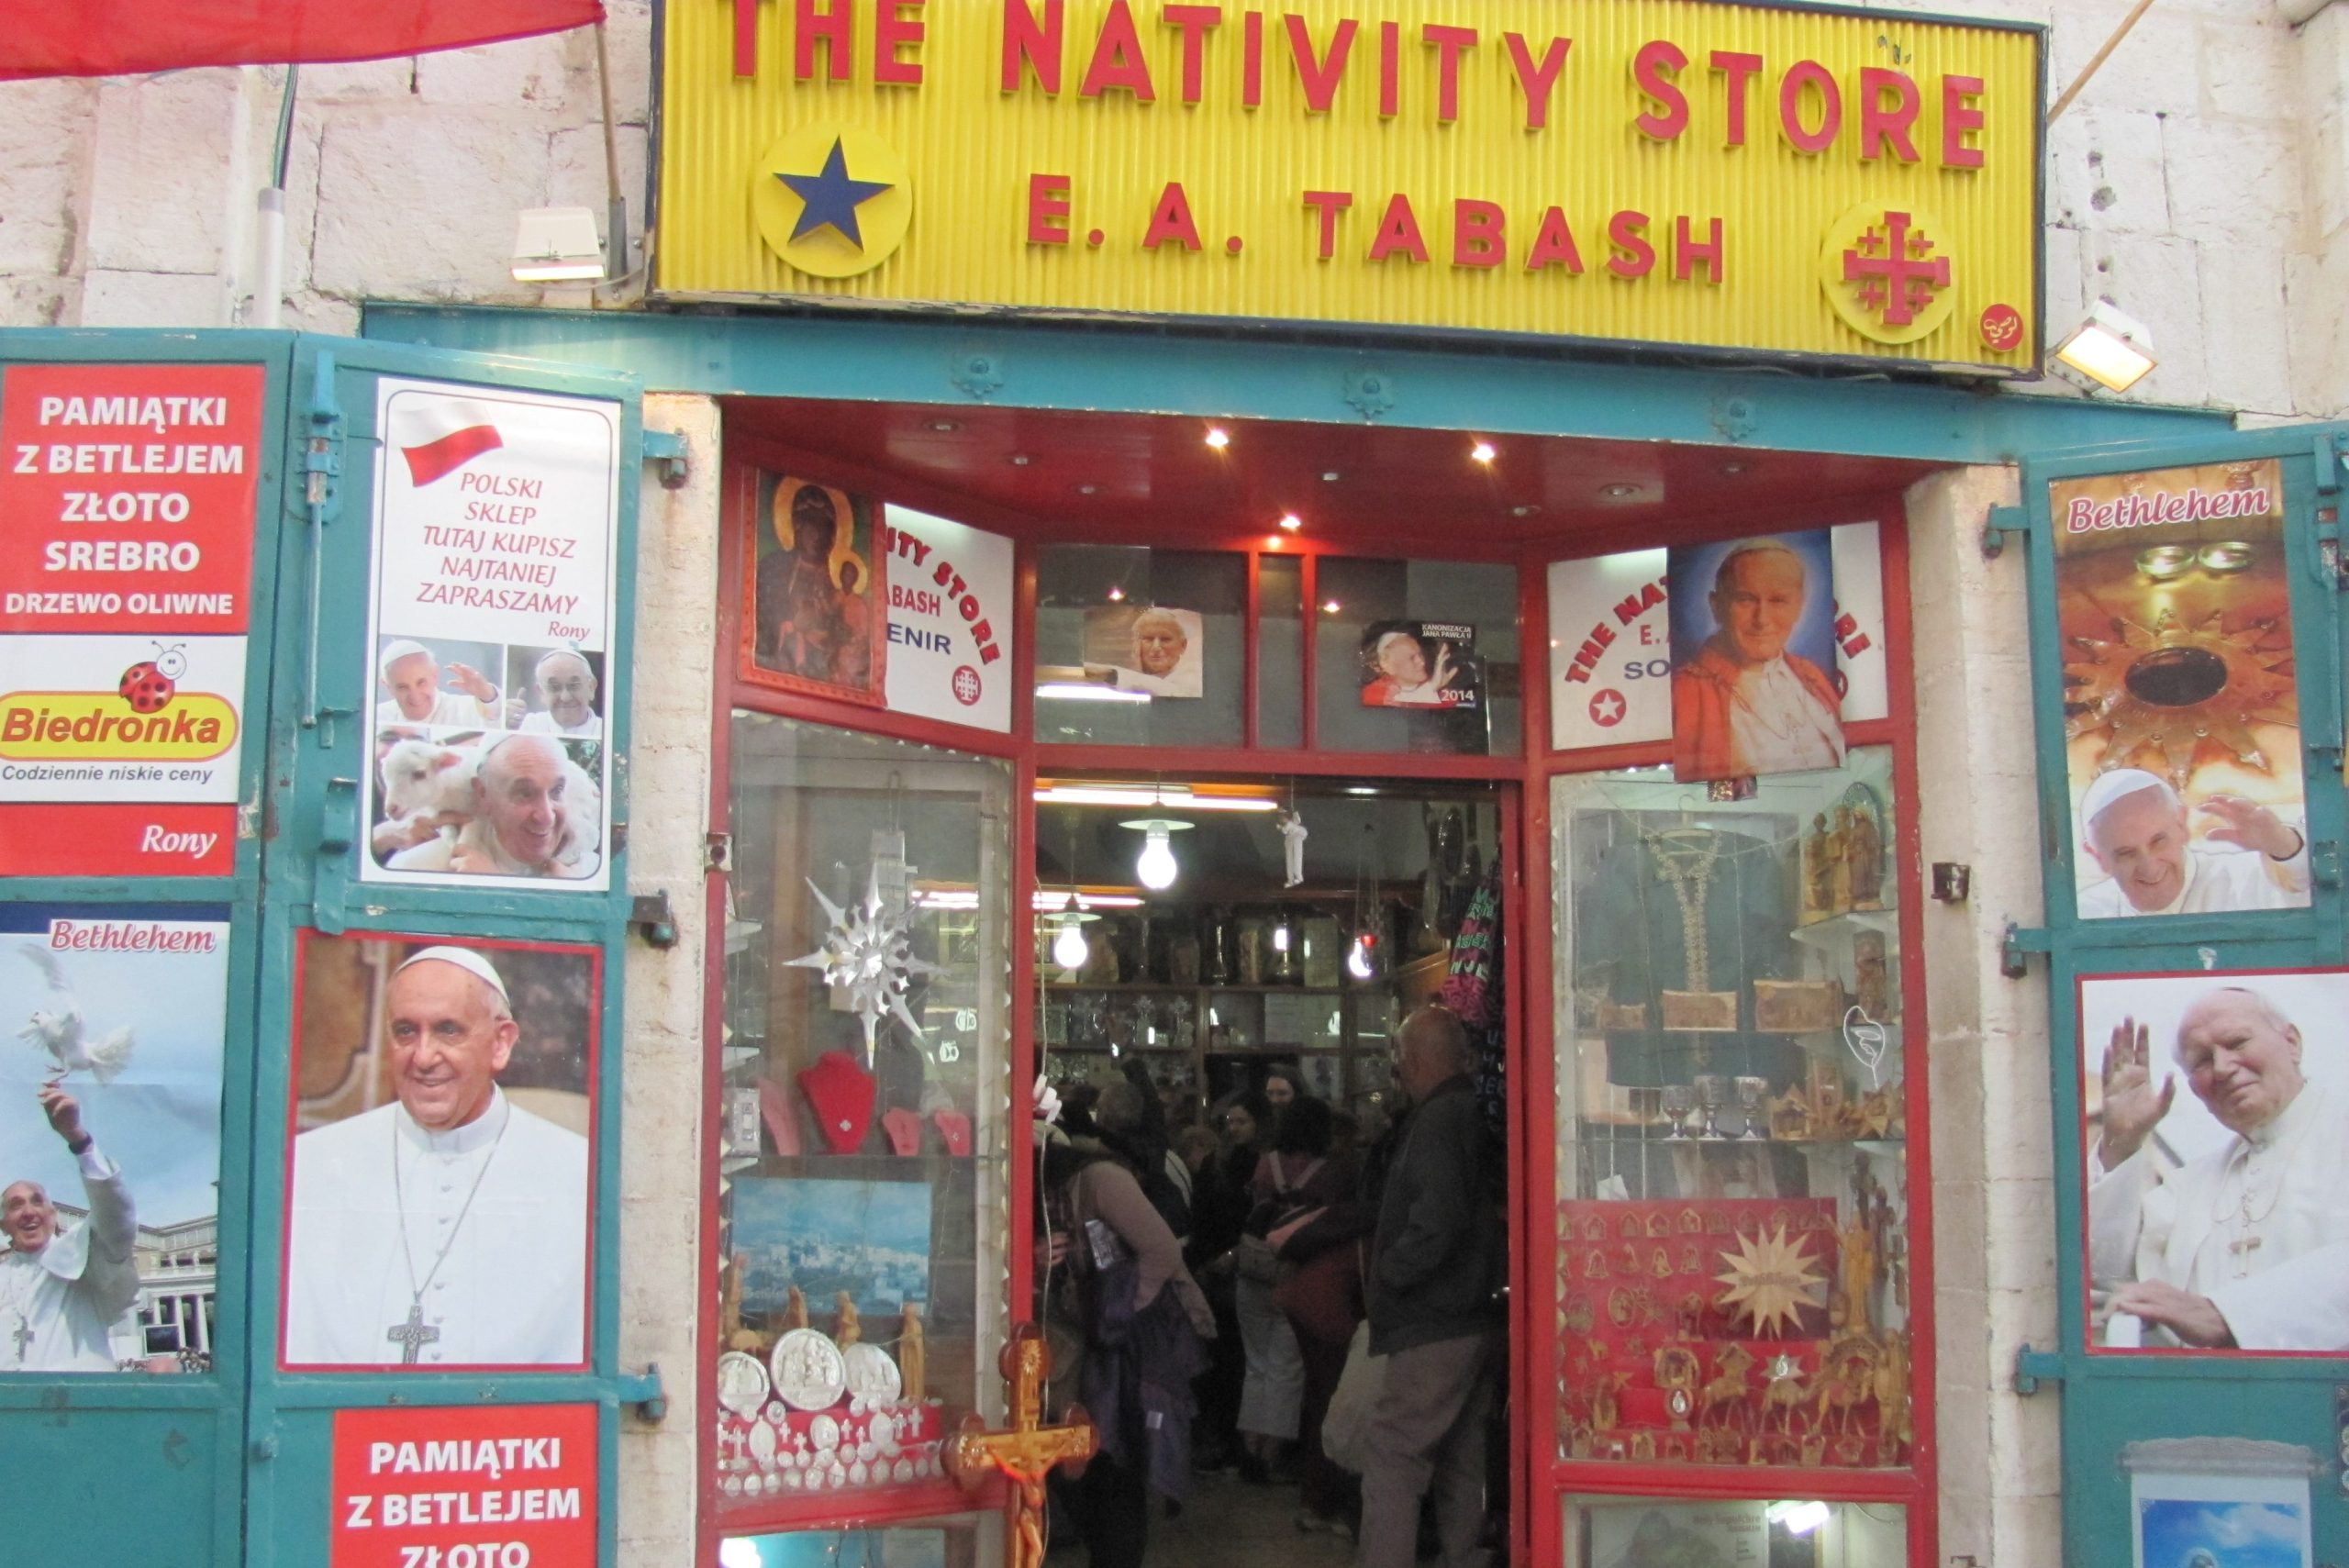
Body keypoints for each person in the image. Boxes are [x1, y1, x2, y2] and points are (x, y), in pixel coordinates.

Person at [284, 947, 590, 1365]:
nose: (424, 1057)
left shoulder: (577, 1171)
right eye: (406, 1031)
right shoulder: (311, 1165)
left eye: (449, 1030)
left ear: (501, 1043)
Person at [2088, 986, 2349, 1350]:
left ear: (2292, 1042)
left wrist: (2229, 1315)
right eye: (2202, 1061)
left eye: (2238, 1042)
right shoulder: (2190, 1185)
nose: (2224, 1068)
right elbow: (2107, 1269)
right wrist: (2121, 1141)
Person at [1042, 1078, 1215, 1568]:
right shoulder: (1057, 1191)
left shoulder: (1097, 1180)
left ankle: (1114, 1554)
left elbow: (1161, 1250)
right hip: (1097, 1336)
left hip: (1134, 1338)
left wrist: (1118, 1313)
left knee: (1118, 1455)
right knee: (1096, 1454)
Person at [1358, 1005, 1503, 1568]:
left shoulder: (1440, 1122)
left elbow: (1437, 1223)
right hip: (1476, 1315)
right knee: (1462, 1459)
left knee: (1395, 1460)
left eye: (1399, 1060)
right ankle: (1462, 1557)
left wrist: (1390, 1273)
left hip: (1435, 1318)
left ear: (1413, 1060)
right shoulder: (1471, 1113)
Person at [1264, 1095, 1367, 1538]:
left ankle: (1299, 1483)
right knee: (1333, 1398)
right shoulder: (1343, 1178)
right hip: (1326, 1296)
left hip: (1288, 1278)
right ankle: (1325, 1500)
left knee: (1296, 1384)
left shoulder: (1268, 1165)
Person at [1670, 539, 1842, 779]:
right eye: (1746, 600)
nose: (1762, 619)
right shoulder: (1687, 692)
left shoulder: (1811, 676)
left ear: (1799, 605)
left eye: (1778, 601)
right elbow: (1715, 797)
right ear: (1717, 605)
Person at [3, 1085, 138, 1371]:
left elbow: (117, 1219)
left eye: (37, 1202)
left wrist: (78, 1139)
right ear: (3, 1223)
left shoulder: (84, 1258)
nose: (28, 1212)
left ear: (53, 1215)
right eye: (15, 1205)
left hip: (76, 1407)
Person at [2076, 769, 2308, 917]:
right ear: (2098, 857)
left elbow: (2320, 892)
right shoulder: (2087, 913)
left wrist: (2283, 846)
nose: (2150, 868)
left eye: (2158, 841)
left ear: (2181, 825)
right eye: (2126, 854)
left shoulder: (2245, 880)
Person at [386, 733, 599, 879]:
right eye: (524, 793)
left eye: (556, 791)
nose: (546, 817)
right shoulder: (413, 869)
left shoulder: (588, 871)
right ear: (482, 794)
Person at [755, 484, 852, 683]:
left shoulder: (830, 578)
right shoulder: (775, 566)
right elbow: (767, 621)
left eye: (826, 530)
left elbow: (838, 626)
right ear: (797, 527)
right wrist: (790, 623)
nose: (820, 537)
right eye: (813, 528)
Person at [374, 639, 504, 728]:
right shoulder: (378, 716)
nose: (415, 696)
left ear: (435, 675)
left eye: (421, 683)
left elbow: (498, 722)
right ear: (388, 687)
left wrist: (488, 696)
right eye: (403, 687)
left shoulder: (466, 709)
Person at [1362, 628, 1460, 707]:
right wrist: (1431, 687)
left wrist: (1433, 687)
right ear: (1388, 666)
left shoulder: (1446, 696)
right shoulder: (1373, 693)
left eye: (1420, 655)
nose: (1422, 662)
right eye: (1411, 658)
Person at [516, 649, 603, 739]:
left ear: (591, 687)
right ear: (541, 692)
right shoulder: (529, 726)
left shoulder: (608, 730)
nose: (565, 697)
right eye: (554, 687)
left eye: (574, 685)